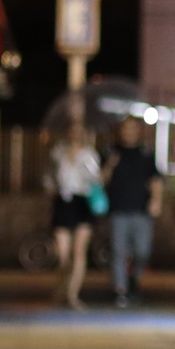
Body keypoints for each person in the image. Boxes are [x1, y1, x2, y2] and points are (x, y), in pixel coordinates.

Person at [102, 116, 164, 308]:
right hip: (118, 209)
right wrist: (110, 165)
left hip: (141, 211)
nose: (129, 132)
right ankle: (120, 290)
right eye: (126, 129)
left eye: (133, 128)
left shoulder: (146, 153)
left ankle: (134, 280)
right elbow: (101, 180)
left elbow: (155, 179)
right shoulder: (110, 152)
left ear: (138, 131)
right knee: (119, 251)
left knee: (142, 251)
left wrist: (156, 201)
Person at [47, 125, 101, 310]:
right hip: (64, 201)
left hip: (83, 201)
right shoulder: (57, 153)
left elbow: (96, 178)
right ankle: (61, 288)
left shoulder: (89, 154)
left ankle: (72, 294)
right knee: (62, 254)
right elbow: (49, 177)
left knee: (79, 252)